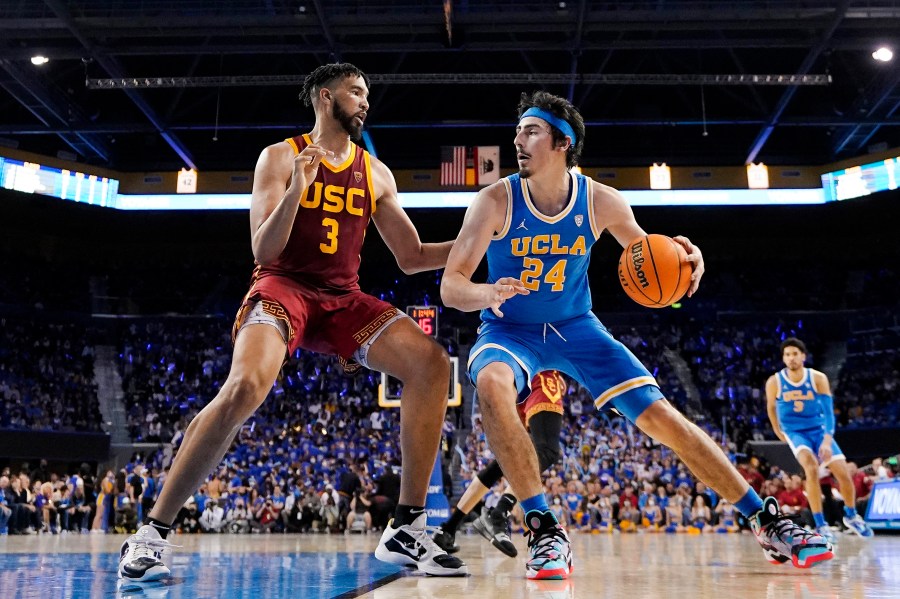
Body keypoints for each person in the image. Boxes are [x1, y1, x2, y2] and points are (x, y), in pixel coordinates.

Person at [440, 90, 833, 578]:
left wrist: (687, 263)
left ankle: (765, 519)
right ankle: (544, 530)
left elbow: (651, 265)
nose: (518, 139)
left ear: (562, 143)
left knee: (664, 419)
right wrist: (487, 292)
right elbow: (451, 285)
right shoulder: (494, 200)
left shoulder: (601, 201)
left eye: (531, 130)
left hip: (576, 327)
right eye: (518, 129)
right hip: (508, 327)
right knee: (492, 385)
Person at [118, 62, 467, 583]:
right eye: (355, 91)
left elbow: (412, 256)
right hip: (283, 286)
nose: (365, 100)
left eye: (367, 93)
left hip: (342, 298)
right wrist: (296, 189)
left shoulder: (376, 172)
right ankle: (151, 534)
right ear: (325, 98)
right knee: (245, 388)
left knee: (432, 363)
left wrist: (480, 246)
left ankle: (406, 529)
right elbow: (263, 247)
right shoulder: (279, 156)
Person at [433, 370, 565, 558]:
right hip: (541, 377)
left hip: (513, 381)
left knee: (510, 458)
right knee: (546, 452)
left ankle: (448, 528)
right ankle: (499, 512)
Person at [765, 337, 874, 540]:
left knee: (843, 474)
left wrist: (826, 440)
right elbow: (771, 407)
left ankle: (851, 515)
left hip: (818, 429)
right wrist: (777, 429)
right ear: (783, 358)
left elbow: (829, 413)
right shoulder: (775, 381)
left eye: (795, 354)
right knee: (811, 467)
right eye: (787, 355)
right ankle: (820, 524)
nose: (791, 358)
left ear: (803, 357)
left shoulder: (817, 378)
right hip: (795, 432)